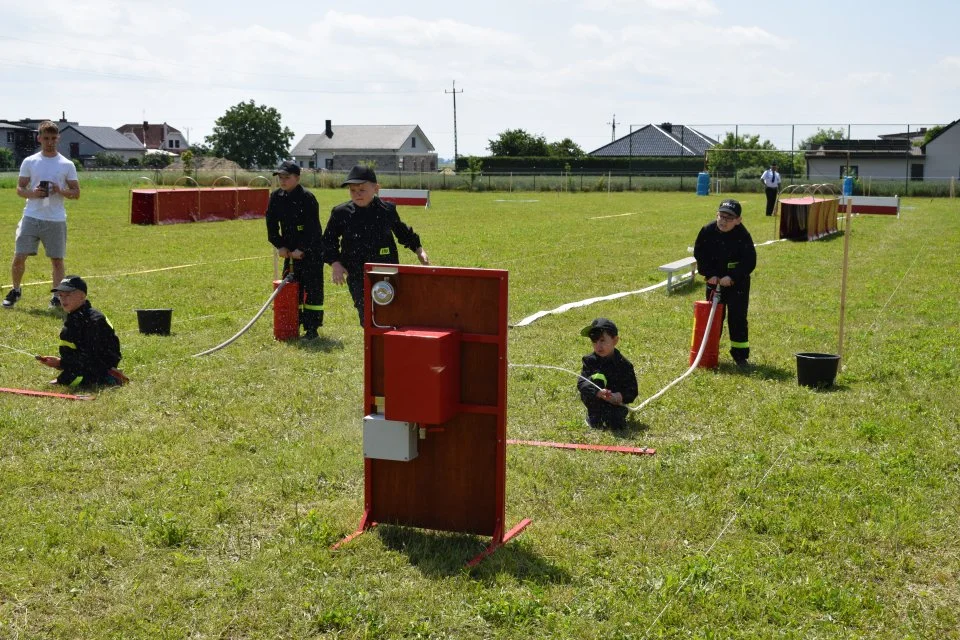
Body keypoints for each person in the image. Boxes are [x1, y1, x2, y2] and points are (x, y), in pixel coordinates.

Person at [322, 165, 429, 325]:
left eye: (362, 190)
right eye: (353, 190)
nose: (357, 194)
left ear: (376, 188)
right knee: (367, 315)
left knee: (390, 310)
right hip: (357, 272)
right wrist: (335, 263)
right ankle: (374, 345)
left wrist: (419, 250)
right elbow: (328, 241)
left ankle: (391, 342)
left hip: (387, 269)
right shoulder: (340, 213)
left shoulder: (387, 210)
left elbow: (402, 231)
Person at [3, 120, 81, 310]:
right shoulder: (30, 161)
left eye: (53, 138)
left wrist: (60, 190)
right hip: (31, 216)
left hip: (55, 219)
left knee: (57, 260)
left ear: (58, 138)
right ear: (39, 138)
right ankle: (15, 290)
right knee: (19, 255)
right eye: (46, 138)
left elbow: (76, 193)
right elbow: (20, 188)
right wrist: (32, 193)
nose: (50, 142)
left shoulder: (66, 164)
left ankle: (56, 296)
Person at [693, 199, 757, 369]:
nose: (724, 220)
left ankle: (740, 356)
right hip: (714, 281)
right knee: (713, 318)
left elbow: (749, 261)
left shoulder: (743, 235)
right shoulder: (707, 231)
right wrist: (709, 274)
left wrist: (733, 277)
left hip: (737, 283)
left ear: (738, 220)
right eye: (721, 216)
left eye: (729, 218)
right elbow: (699, 253)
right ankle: (708, 353)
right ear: (717, 215)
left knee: (737, 318)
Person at [265, 160, 324, 340]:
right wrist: (280, 245)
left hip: (311, 251)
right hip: (289, 252)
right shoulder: (276, 197)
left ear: (297, 178)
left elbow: (313, 229)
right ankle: (291, 325)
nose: (283, 181)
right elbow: (271, 225)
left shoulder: (307, 198)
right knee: (291, 290)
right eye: (280, 177)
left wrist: (302, 249)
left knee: (312, 290)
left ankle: (312, 329)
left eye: (287, 177)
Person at [36, 276, 125, 387]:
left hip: (96, 368)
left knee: (66, 385)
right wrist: (60, 363)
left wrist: (61, 364)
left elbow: (91, 357)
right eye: (60, 295)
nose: (63, 299)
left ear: (82, 296)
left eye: (68, 295)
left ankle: (109, 376)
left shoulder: (93, 320)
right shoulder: (75, 316)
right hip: (83, 366)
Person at [577, 317, 638, 429]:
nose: (598, 346)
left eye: (602, 340)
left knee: (616, 424)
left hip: (615, 404)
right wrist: (597, 392)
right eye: (594, 342)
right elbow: (581, 383)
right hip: (595, 402)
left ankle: (615, 416)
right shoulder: (589, 361)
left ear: (615, 341)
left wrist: (619, 396)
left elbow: (632, 390)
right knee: (596, 423)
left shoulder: (624, 365)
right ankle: (593, 416)